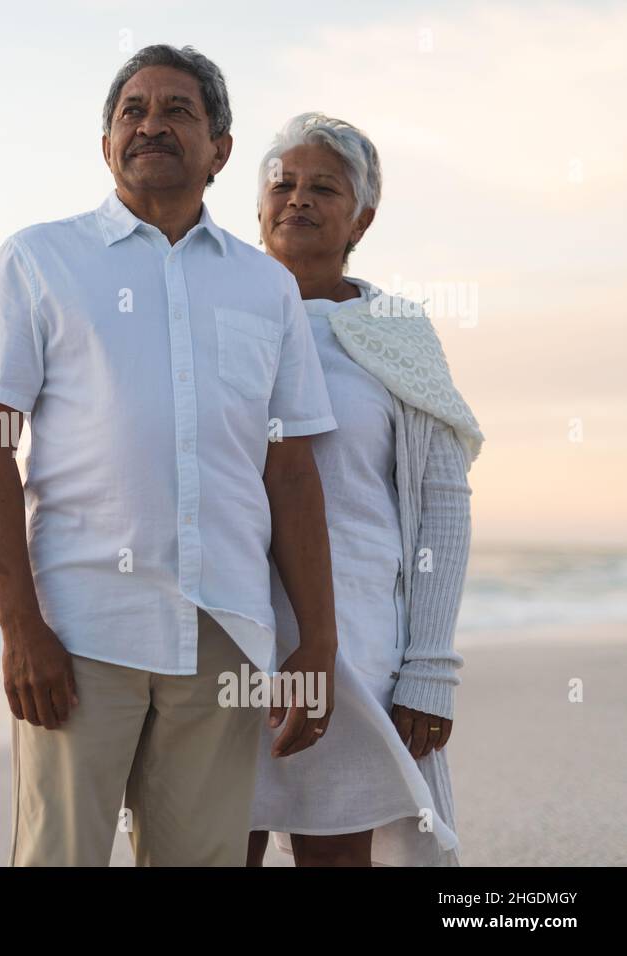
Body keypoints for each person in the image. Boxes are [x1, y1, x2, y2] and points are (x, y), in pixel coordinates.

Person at [0, 45, 340, 866]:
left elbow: (292, 471)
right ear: (106, 144)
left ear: (221, 150)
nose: (151, 125)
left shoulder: (264, 287)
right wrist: (22, 630)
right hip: (81, 630)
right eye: (133, 110)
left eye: (177, 112)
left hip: (224, 631)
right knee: (59, 855)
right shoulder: (38, 261)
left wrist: (319, 642)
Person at [246, 112, 485, 867]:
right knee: (213, 843)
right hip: (228, 634)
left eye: (325, 186)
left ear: (363, 217)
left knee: (338, 852)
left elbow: (443, 507)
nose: (298, 198)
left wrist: (430, 669)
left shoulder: (396, 331)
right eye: (282, 183)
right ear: (257, 205)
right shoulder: (220, 315)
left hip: (350, 643)